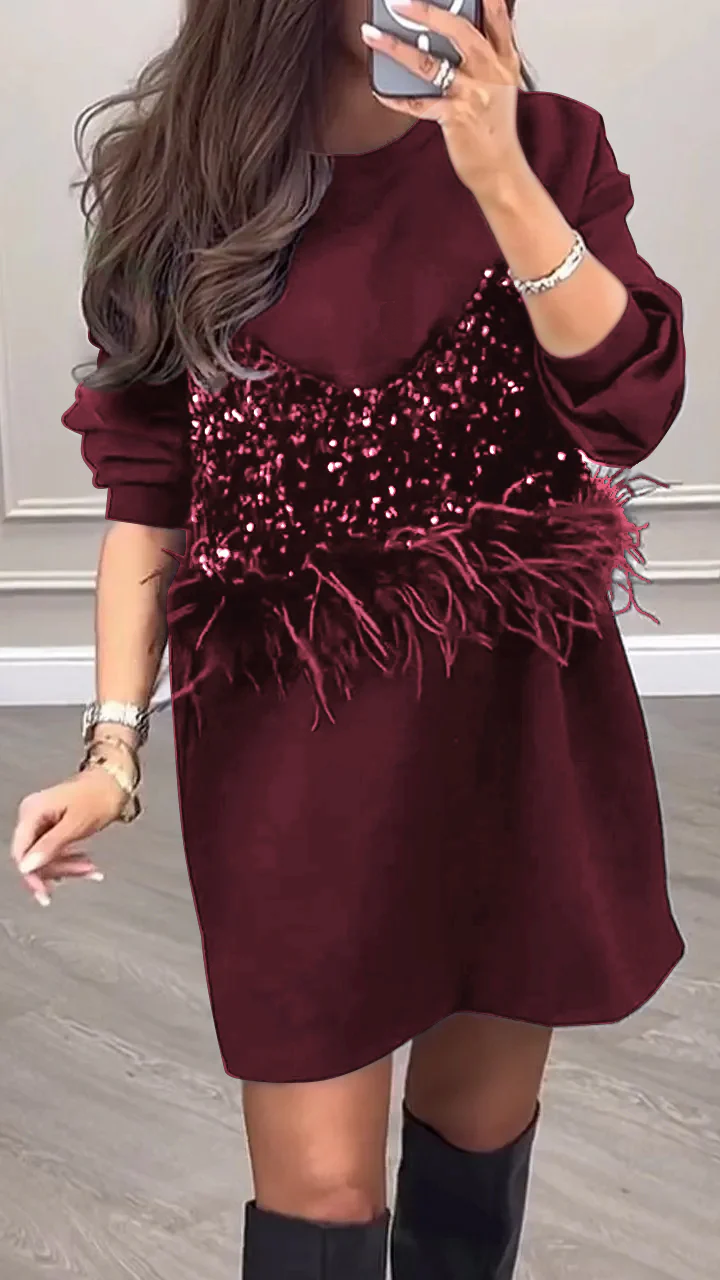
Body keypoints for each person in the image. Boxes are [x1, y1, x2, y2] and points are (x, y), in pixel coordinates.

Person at [10, 1, 687, 1276]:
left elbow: (630, 408)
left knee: (475, 1142)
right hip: (295, 747)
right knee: (319, 1195)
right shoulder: (183, 181)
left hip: (516, 725)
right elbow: (149, 495)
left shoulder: (551, 147)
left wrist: (499, 171)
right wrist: (112, 750)